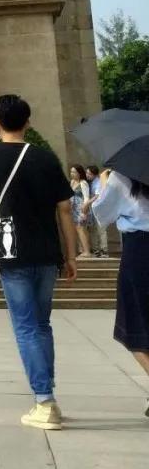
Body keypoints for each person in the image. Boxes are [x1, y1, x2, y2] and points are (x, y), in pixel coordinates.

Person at [0, 94, 77, 431]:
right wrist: (71, 255)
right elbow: (65, 209)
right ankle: (48, 395)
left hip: (11, 248)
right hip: (47, 250)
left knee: (26, 326)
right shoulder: (45, 157)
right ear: (28, 122)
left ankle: (45, 401)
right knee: (42, 324)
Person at [90, 169, 149, 418]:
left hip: (140, 249)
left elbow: (102, 214)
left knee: (133, 324)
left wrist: (104, 183)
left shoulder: (123, 175)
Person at [83, 165, 109, 257]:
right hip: (93, 209)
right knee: (93, 229)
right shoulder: (91, 183)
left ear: (95, 174)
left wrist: (87, 203)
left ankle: (104, 250)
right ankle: (96, 249)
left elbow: (97, 195)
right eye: (86, 173)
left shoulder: (98, 182)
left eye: (89, 174)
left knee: (101, 229)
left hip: (99, 208)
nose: (87, 175)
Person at [69, 165, 92, 259]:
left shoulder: (83, 183)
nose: (72, 174)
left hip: (81, 208)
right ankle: (83, 250)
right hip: (73, 208)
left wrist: (84, 212)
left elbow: (86, 198)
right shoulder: (72, 182)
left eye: (74, 172)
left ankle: (87, 251)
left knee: (81, 229)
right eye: (71, 172)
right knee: (78, 229)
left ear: (79, 173)